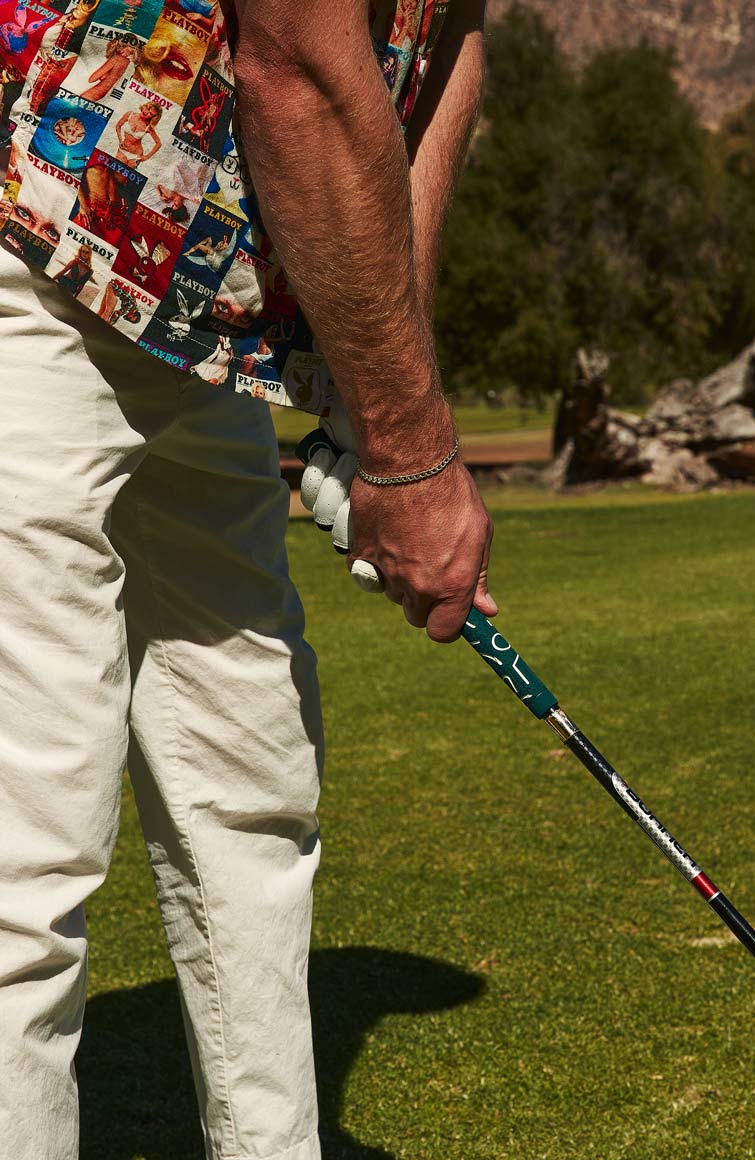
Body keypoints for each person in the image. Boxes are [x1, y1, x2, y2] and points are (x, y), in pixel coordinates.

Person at [0, 2, 494, 1159]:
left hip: (196, 317)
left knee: (249, 775)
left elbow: (440, 53)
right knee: (27, 841)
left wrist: (368, 414)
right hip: (30, 237)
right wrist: (412, 453)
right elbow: (298, 61)